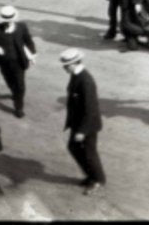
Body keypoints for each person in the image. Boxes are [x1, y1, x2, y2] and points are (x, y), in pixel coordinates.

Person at [60, 49, 105, 194]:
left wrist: (82, 131)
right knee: (74, 148)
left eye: (66, 65)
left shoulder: (85, 81)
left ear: (74, 63)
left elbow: (90, 108)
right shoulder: (76, 75)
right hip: (78, 123)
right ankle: (92, 176)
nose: (64, 68)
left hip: (87, 124)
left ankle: (97, 180)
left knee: (89, 152)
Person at [0, 5, 36, 118]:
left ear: (13, 18)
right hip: (3, 62)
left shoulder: (22, 27)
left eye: (9, 20)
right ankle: (14, 92)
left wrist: (32, 55)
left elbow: (28, 41)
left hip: (19, 62)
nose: (7, 22)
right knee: (9, 81)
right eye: (5, 20)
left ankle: (18, 107)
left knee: (20, 85)